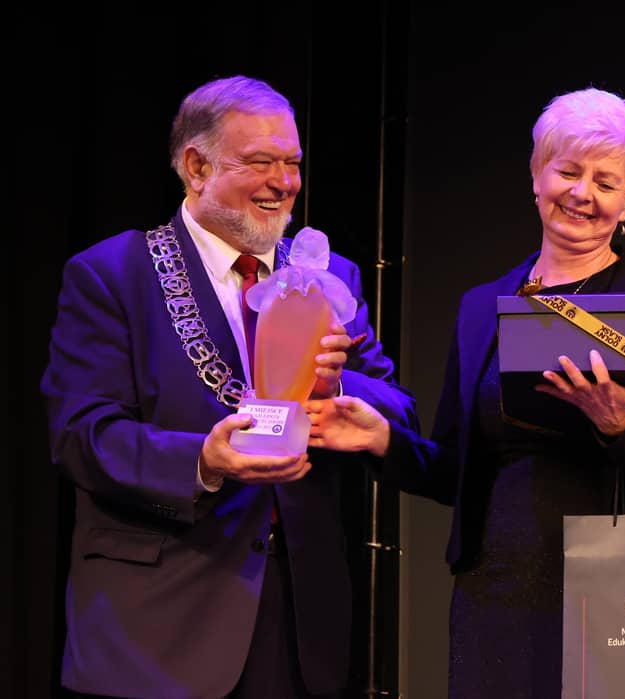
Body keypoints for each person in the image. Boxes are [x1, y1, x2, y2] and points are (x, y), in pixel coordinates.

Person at [305, 87, 625, 698]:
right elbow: (453, 470)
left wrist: (620, 427)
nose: (582, 193)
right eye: (567, 171)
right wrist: (383, 440)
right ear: (536, 175)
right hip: (497, 585)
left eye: (605, 183)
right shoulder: (480, 306)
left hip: (621, 581)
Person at [41, 75, 417, 698]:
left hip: (297, 628)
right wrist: (203, 460)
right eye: (261, 162)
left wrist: (339, 391)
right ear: (197, 167)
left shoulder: (328, 276)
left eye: (293, 162)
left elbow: (397, 408)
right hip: (158, 629)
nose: (284, 182)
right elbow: (83, 436)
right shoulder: (112, 275)